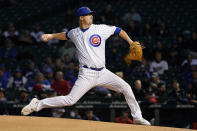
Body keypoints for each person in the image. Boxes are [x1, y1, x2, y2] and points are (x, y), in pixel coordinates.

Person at [21, 7, 150, 125]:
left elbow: (118, 30)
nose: (91, 16)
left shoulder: (100, 29)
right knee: (70, 100)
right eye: (88, 15)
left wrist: (131, 42)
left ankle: (137, 117)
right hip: (86, 74)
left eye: (91, 14)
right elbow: (65, 35)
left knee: (126, 87)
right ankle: (37, 104)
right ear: (81, 18)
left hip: (103, 72)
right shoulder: (74, 33)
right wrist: (51, 36)